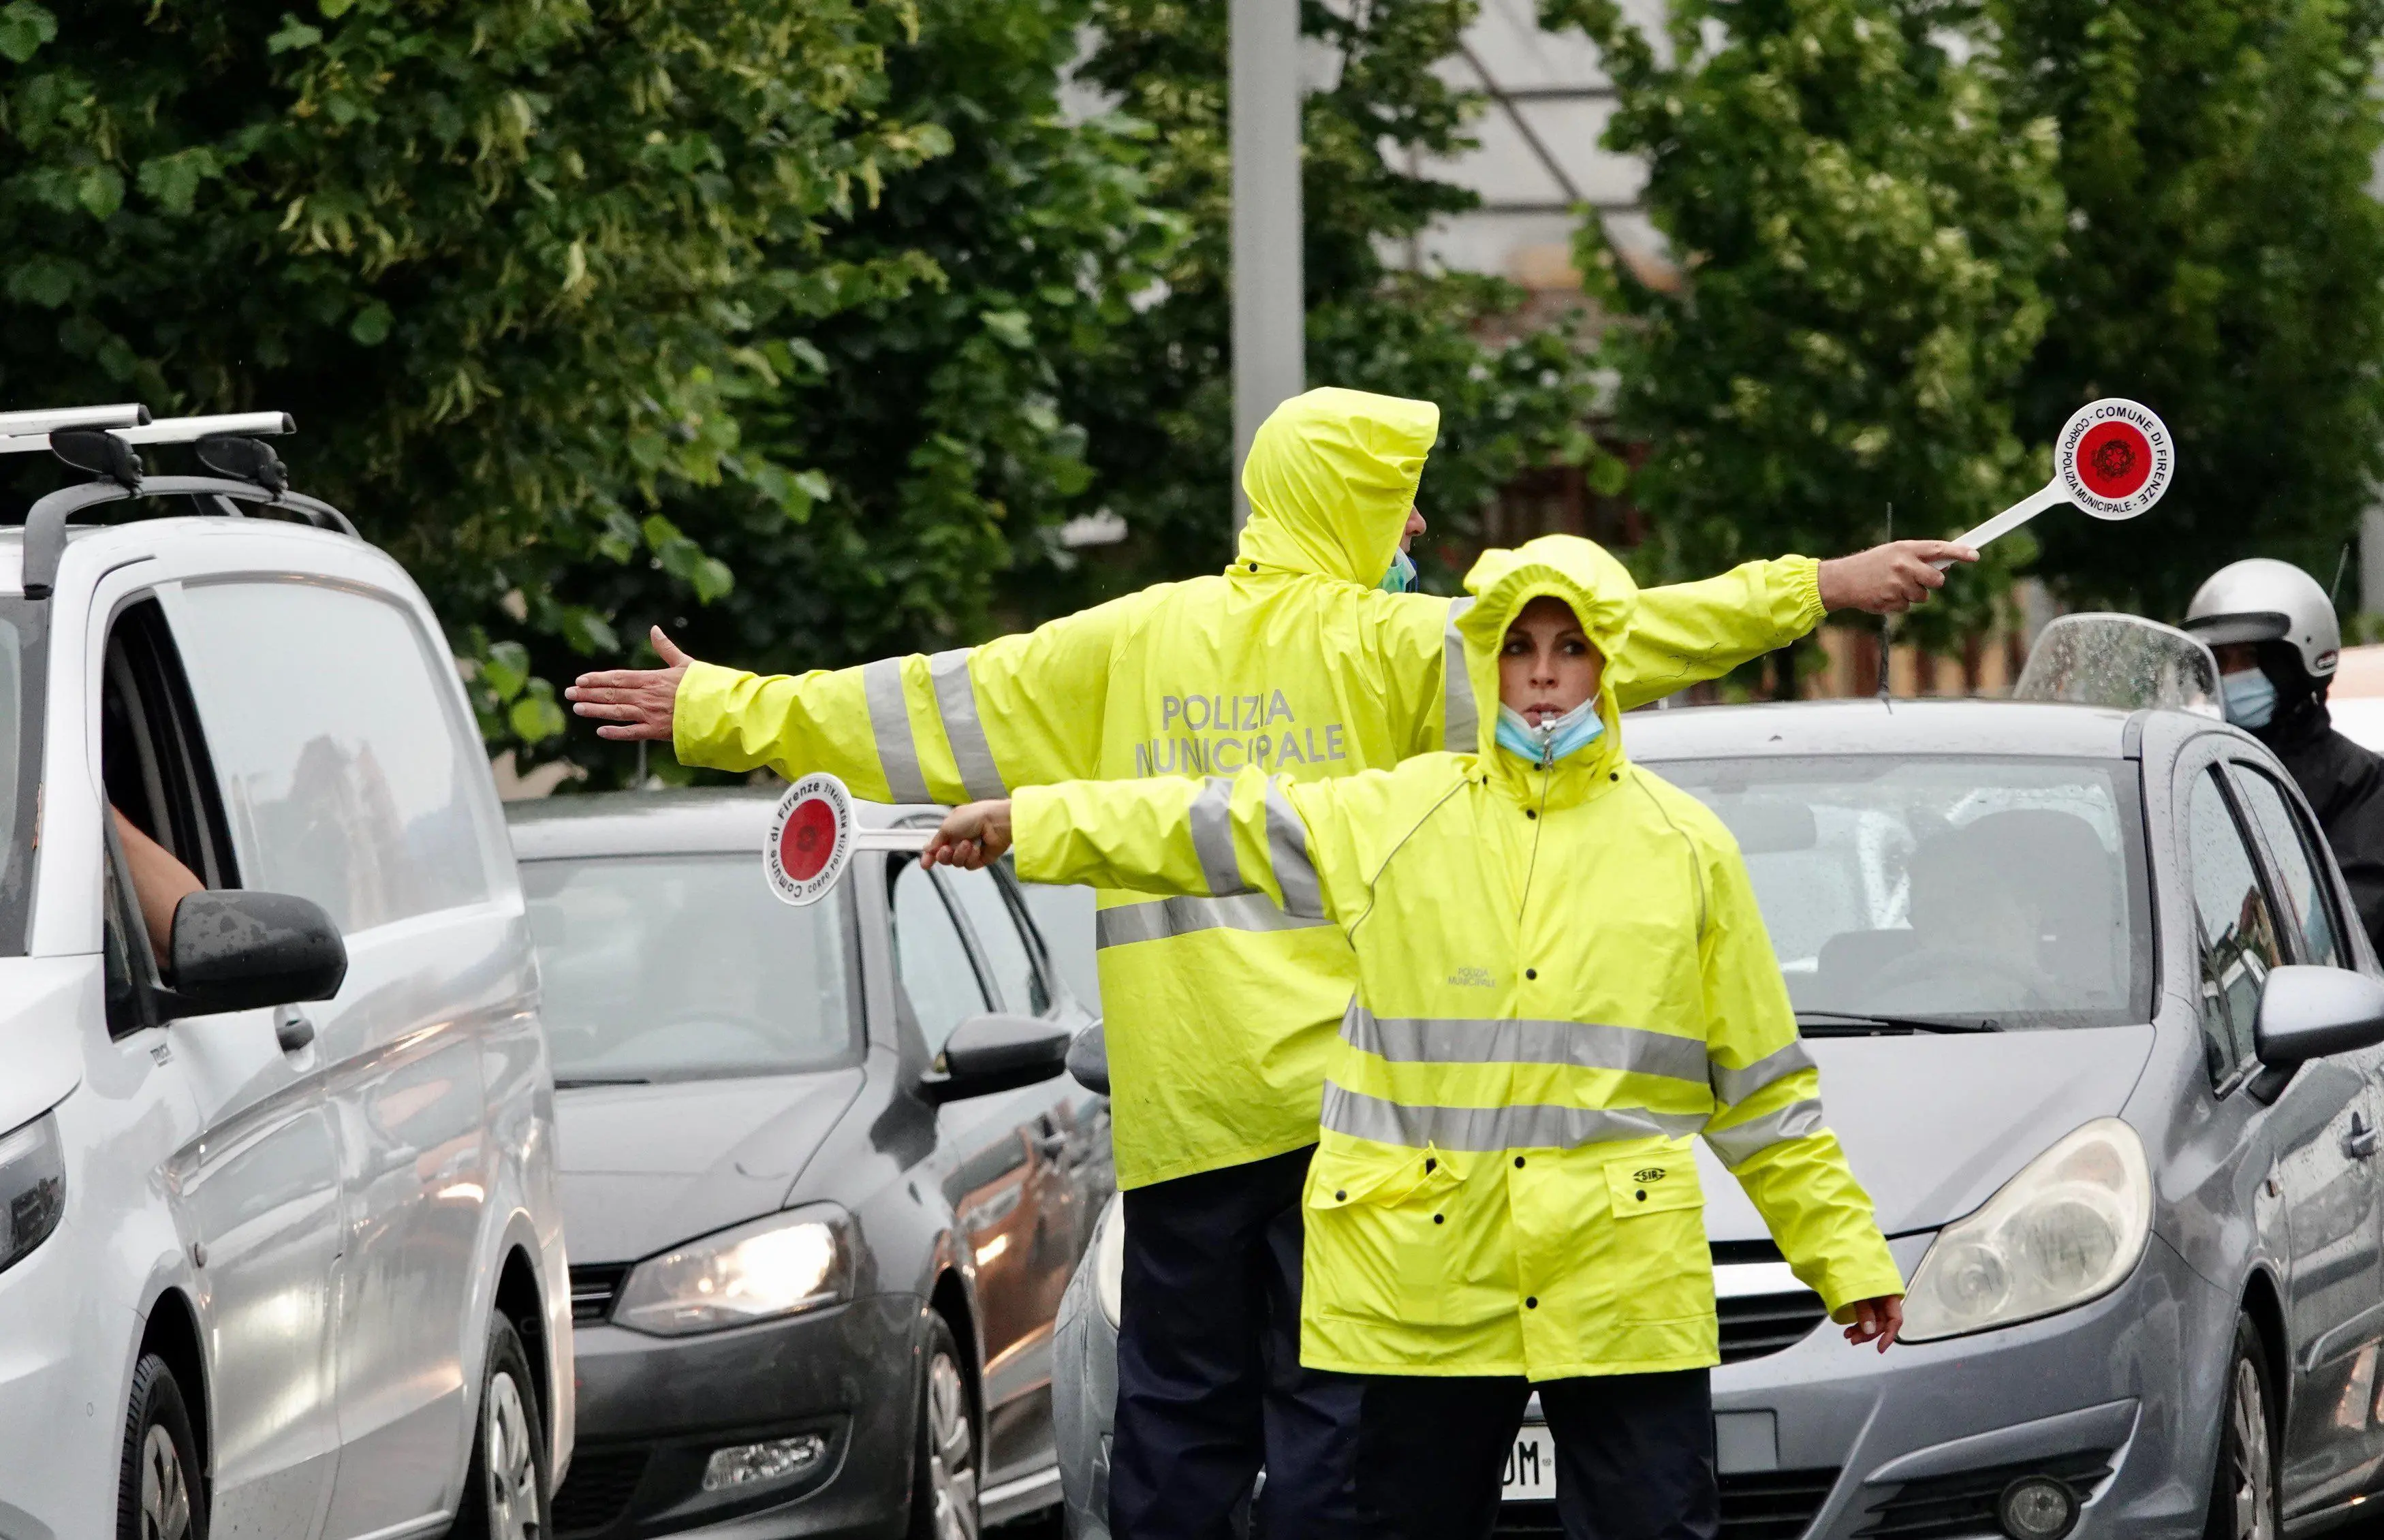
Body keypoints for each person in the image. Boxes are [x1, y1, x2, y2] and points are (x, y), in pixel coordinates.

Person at [566, 386, 1965, 1540]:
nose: (1417, 521)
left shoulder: (1126, 642)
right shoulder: (1405, 647)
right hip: (1360, 1126)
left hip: (1183, 1112)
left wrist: (719, 706)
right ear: (1348, 499)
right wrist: (1817, 587)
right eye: (1401, 493)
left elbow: (917, 707)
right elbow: (1620, 633)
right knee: (1333, 1432)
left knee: (1175, 1431)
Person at [922, 533, 1904, 1540]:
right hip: (1430, 1287)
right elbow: (1214, 823)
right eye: (1520, 648)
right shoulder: (1401, 814)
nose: (1543, 675)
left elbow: (1765, 1090)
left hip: (1618, 1286)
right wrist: (1033, 822)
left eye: (1570, 648)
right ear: (1487, 663)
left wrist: (1844, 1255)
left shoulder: (1686, 848)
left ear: (1609, 662)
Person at [2184, 559, 2384, 950]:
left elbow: (2349, 927)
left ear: (2298, 662)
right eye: (2218, 661)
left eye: (2249, 658)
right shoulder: (2196, 771)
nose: (2229, 676)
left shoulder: (2360, 781)